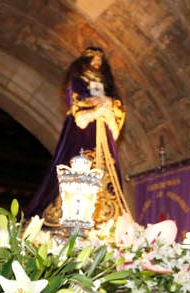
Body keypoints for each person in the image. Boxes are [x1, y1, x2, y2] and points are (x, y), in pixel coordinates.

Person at [25, 46, 129, 224]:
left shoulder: (107, 85)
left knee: (106, 167)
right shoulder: (78, 80)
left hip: (104, 126)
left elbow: (117, 104)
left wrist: (108, 103)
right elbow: (76, 100)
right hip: (83, 129)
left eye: (100, 60)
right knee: (78, 161)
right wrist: (98, 104)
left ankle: (108, 212)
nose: (97, 62)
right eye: (93, 59)